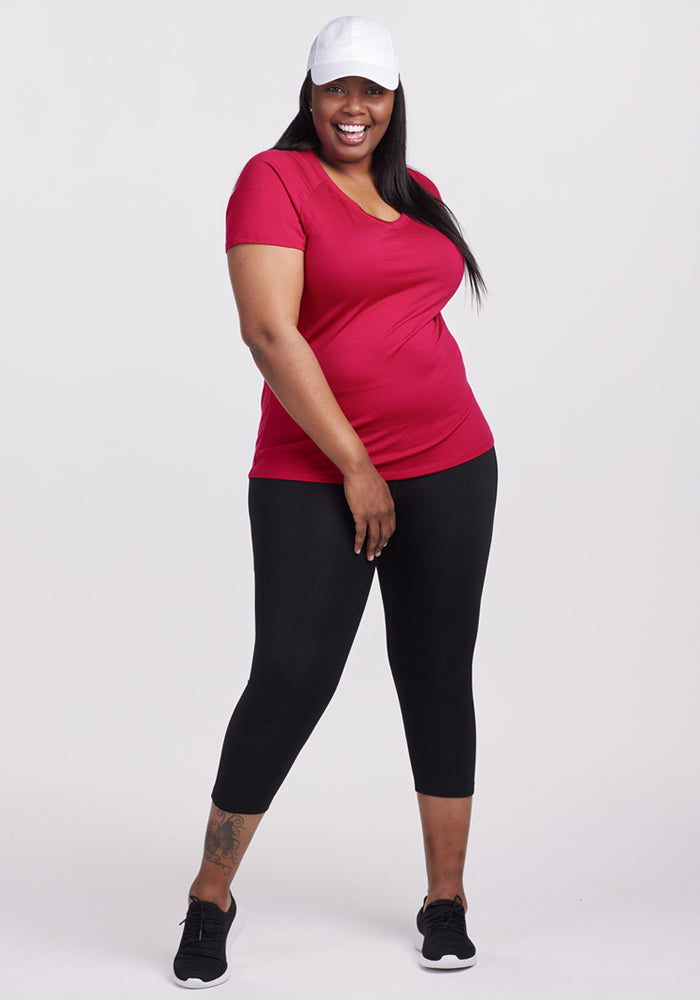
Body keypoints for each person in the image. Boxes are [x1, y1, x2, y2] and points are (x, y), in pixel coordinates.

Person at [172, 15, 498, 988]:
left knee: (437, 674)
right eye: (335, 90)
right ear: (309, 95)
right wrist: (358, 466)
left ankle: (446, 901)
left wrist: (398, 458)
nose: (354, 108)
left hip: (451, 460)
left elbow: (413, 308)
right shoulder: (272, 181)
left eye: (373, 91)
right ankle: (208, 896)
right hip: (315, 473)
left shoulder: (417, 191)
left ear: (395, 101)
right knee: (289, 679)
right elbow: (268, 332)